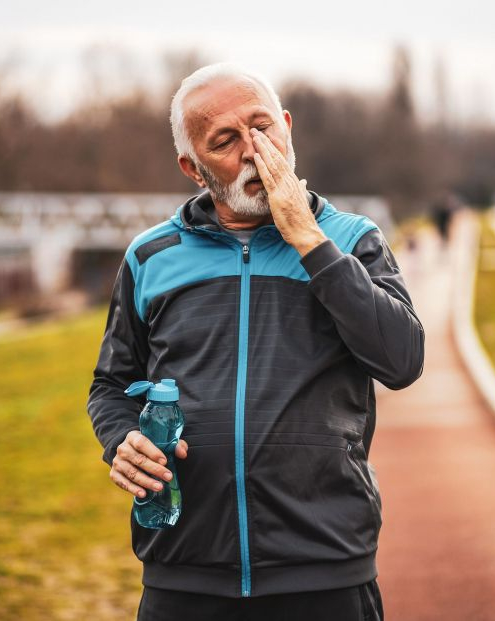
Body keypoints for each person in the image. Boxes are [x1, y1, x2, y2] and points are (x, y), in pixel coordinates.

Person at [86, 63, 425, 621]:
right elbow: (111, 384)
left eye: (263, 128)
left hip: (325, 569)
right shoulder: (151, 257)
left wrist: (310, 243)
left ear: (288, 128)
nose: (252, 150)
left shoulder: (352, 240)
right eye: (224, 141)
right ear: (193, 168)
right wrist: (122, 439)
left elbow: (402, 360)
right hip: (183, 571)